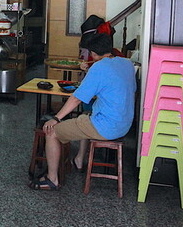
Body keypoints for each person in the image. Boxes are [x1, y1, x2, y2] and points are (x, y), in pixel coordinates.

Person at [29, 24, 136, 191]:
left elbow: (76, 99)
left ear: (93, 53)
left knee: (51, 132)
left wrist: (56, 118)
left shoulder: (99, 67)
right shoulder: (127, 63)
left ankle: (52, 179)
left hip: (106, 127)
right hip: (124, 125)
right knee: (85, 115)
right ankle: (79, 159)